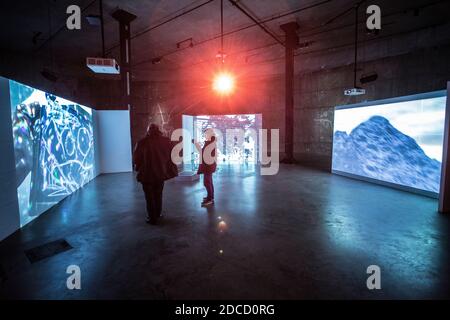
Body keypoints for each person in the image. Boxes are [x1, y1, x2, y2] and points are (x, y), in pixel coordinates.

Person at [133, 123, 178, 224]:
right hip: (160, 173)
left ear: (148, 131)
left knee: (149, 197)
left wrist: (138, 167)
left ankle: (152, 218)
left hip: (146, 175)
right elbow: (172, 156)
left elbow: (136, 159)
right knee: (158, 194)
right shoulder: (166, 141)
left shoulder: (142, 142)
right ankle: (158, 214)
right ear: (158, 130)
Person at [193, 128, 217, 207]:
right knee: (209, 182)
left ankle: (210, 199)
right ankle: (210, 197)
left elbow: (203, 153)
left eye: (205, 134)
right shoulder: (210, 142)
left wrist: (196, 144)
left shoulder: (210, 143)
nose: (204, 135)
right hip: (208, 166)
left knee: (207, 183)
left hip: (208, 166)